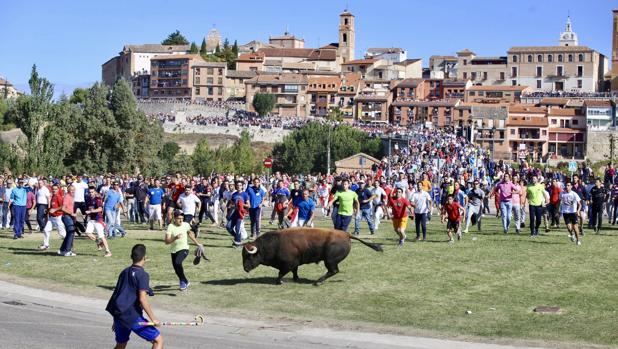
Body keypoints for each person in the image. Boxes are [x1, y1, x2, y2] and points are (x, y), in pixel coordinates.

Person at [106, 244, 164, 349]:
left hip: (119, 315)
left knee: (121, 344)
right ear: (145, 257)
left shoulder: (124, 272)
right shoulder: (142, 275)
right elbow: (142, 298)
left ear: (131, 257)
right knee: (158, 340)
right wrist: (153, 319)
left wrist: (116, 319)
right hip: (131, 316)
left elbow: (118, 295)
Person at [165, 210, 204, 291]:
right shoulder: (170, 227)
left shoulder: (186, 225)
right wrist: (175, 238)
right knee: (176, 270)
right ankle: (185, 280)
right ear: (174, 218)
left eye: (182, 218)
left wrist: (197, 243)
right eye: (179, 218)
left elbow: (190, 234)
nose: (181, 220)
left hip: (184, 248)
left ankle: (182, 282)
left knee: (178, 262)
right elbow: (166, 241)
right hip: (173, 250)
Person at [84, 186, 112, 257]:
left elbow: (100, 209)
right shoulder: (88, 199)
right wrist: (86, 214)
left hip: (98, 219)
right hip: (91, 219)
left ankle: (108, 251)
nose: (90, 193)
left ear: (95, 192)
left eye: (92, 192)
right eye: (89, 192)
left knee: (102, 236)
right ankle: (99, 242)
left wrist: (91, 211)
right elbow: (88, 209)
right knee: (87, 233)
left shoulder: (98, 199)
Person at [40, 183, 66, 250]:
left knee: (62, 233)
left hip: (58, 217)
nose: (54, 190)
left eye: (56, 189)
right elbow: (52, 207)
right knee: (46, 230)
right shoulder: (53, 196)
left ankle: (70, 245)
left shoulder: (59, 197)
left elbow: (63, 206)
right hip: (52, 217)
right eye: (53, 189)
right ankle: (46, 245)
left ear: (58, 189)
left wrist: (55, 209)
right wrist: (48, 210)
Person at [58, 184, 77, 256]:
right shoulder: (67, 197)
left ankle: (62, 250)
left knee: (69, 233)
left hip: (69, 217)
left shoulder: (72, 197)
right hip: (66, 216)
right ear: (68, 190)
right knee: (71, 232)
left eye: (74, 190)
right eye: (71, 190)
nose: (73, 191)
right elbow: (63, 208)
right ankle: (67, 251)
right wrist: (71, 213)